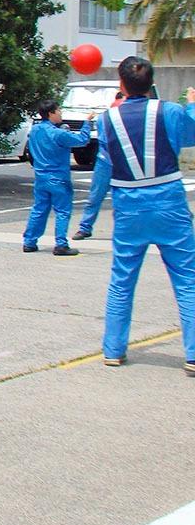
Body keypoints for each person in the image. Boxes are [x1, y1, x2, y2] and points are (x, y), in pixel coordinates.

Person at [99, 57, 195, 372]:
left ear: (121, 84)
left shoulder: (106, 119)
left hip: (128, 203)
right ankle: (193, 354)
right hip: (168, 201)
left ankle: (113, 349)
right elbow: (190, 135)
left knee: (122, 278)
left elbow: (105, 161)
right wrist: (192, 105)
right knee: (186, 278)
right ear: (151, 81)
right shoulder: (169, 111)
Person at [21, 100, 93, 256]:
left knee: (39, 209)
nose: (61, 113)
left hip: (41, 176)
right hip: (58, 177)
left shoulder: (35, 131)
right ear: (51, 113)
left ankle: (29, 241)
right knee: (62, 211)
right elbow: (82, 140)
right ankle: (61, 243)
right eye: (58, 111)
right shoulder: (58, 134)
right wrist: (87, 123)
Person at [73, 92, 125, 241]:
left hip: (122, 161)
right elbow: (106, 139)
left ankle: (123, 230)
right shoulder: (105, 117)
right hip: (106, 161)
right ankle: (85, 227)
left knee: (122, 198)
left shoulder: (124, 116)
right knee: (95, 196)